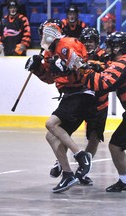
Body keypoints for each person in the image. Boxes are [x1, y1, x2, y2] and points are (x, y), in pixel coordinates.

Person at [57, 31, 126, 201]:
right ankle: (125, 181)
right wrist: (93, 67)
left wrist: (81, 69)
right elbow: (108, 72)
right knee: (115, 146)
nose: (106, 49)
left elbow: (102, 84)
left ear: (117, 48)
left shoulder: (123, 63)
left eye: (109, 46)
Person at [25, 20, 94, 193]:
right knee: (50, 137)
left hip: (81, 92)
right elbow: (50, 79)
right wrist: (37, 69)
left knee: (51, 124)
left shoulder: (68, 44)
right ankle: (67, 174)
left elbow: (82, 67)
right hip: (69, 95)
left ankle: (80, 155)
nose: (43, 36)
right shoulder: (49, 53)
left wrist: (65, 67)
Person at [49, 27, 109, 186]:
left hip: (99, 103)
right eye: (86, 41)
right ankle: (61, 162)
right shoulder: (75, 51)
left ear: (97, 42)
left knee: (94, 137)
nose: (88, 44)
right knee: (64, 131)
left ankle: (84, 169)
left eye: (92, 41)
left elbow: (107, 68)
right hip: (81, 98)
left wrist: (93, 65)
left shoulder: (104, 55)